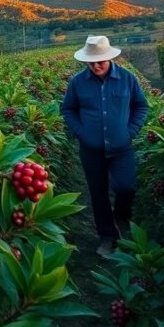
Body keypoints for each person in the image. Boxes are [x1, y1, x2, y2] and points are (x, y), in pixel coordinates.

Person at [60, 35, 148, 257]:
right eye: (91, 62)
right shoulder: (78, 82)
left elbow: (141, 106)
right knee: (98, 194)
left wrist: (130, 132)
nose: (95, 65)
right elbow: (68, 109)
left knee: (126, 187)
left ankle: (121, 217)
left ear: (109, 58)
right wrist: (81, 133)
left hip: (122, 148)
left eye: (100, 61)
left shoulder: (128, 79)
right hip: (91, 151)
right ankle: (107, 237)